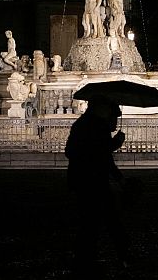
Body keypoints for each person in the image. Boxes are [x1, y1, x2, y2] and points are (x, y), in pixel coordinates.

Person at [65, 96, 129, 276]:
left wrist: (118, 177)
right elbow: (99, 153)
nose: (113, 119)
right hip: (90, 182)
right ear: (101, 108)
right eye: (112, 113)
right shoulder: (95, 126)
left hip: (87, 181)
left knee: (92, 222)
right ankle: (97, 259)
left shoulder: (85, 123)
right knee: (99, 221)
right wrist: (115, 143)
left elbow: (103, 157)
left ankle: (87, 259)